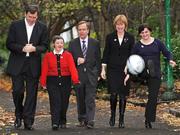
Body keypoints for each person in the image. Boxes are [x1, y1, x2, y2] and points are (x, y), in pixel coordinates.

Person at [6, 4, 49, 130]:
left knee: (32, 94)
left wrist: (35, 48)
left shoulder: (42, 27)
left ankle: (28, 120)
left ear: (37, 16)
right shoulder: (15, 25)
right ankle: (18, 114)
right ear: (25, 14)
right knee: (18, 91)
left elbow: (45, 46)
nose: (32, 19)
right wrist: (22, 48)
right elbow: (9, 44)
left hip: (33, 65)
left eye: (34, 17)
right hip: (17, 64)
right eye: (30, 17)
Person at [127, 24, 176, 128]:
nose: (145, 34)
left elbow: (167, 53)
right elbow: (131, 58)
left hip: (155, 74)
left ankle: (148, 119)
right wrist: (128, 71)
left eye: (146, 32)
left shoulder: (157, 43)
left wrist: (170, 60)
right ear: (140, 34)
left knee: (153, 98)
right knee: (141, 66)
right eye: (142, 32)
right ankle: (143, 71)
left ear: (150, 32)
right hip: (141, 73)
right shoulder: (137, 45)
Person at [101, 14, 135, 128]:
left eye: (122, 24)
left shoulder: (130, 37)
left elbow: (132, 54)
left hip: (125, 70)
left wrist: (129, 67)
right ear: (115, 25)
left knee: (123, 95)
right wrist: (103, 69)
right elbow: (106, 53)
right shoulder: (110, 37)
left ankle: (121, 118)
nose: (120, 26)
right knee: (113, 94)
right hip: (112, 69)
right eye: (118, 24)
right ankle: (112, 115)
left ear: (125, 25)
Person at [40, 35, 80, 130]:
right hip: (52, 81)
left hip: (65, 80)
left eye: (61, 43)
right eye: (57, 43)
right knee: (55, 101)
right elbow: (44, 70)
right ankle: (55, 122)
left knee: (64, 102)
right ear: (53, 44)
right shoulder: (48, 56)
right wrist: (43, 82)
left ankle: (63, 120)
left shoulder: (68, 55)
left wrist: (75, 80)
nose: (60, 45)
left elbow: (72, 68)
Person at [68, 21, 101, 129]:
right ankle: (82, 119)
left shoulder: (95, 43)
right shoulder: (73, 43)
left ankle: (90, 120)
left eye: (84, 29)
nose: (82, 31)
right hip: (78, 75)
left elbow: (97, 60)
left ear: (88, 30)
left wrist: (98, 73)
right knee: (80, 98)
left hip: (91, 75)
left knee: (90, 98)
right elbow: (69, 60)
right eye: (80, 29)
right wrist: (77, 60)